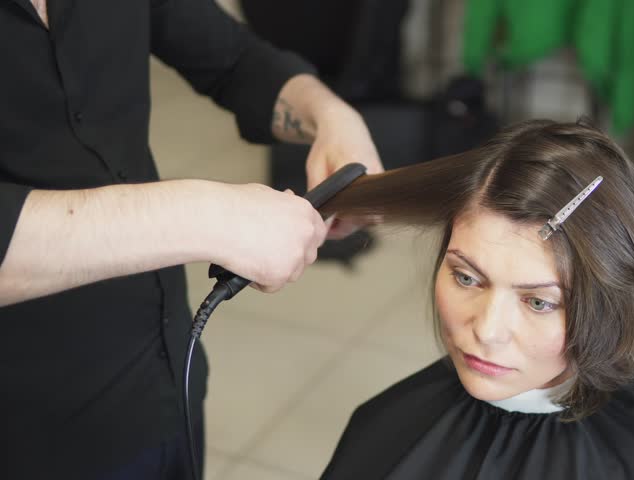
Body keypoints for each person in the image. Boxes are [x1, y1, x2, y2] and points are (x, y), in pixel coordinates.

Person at [0, 0, 382, 478]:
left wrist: (330, 116)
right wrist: (201, 215)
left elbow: (232, 59)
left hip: (159, 374)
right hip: (30, 426)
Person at [317, 120, 634, 479]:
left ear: (606, 306)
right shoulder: (387, 423)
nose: (486, 331)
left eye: (538, 303)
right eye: (467, 277)